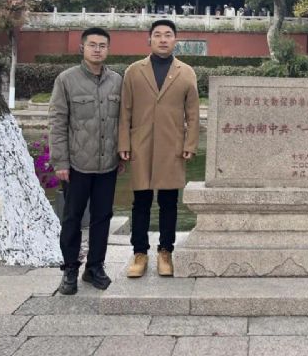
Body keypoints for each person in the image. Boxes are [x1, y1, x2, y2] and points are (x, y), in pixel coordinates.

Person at [119, 19, 199, 277]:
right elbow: (125, 110)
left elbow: (193, 113)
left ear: (175, 40)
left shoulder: (186, 72)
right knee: (140, 201)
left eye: (168, 35)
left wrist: (190, 143)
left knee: (168, 202)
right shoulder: (134, 71)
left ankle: (166, 251)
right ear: (149, 39)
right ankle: (139, 253)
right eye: (157, 35)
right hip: (140, 144)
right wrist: (124, 143)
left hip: (172, 144)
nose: (163, 39)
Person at [49, 27, 123, 295]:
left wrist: (122, 152)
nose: (97, 49)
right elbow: (57, 122)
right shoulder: (66, 80)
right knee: (72, 218)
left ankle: (95, 267)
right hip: (77, 164)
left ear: (108, 49)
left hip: (108, 164)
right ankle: (70, 268)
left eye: (102, 45)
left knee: (102, 217)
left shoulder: (117, 81)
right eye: (92, 45)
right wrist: (60, 161)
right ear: (83, 48)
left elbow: (123, 121)